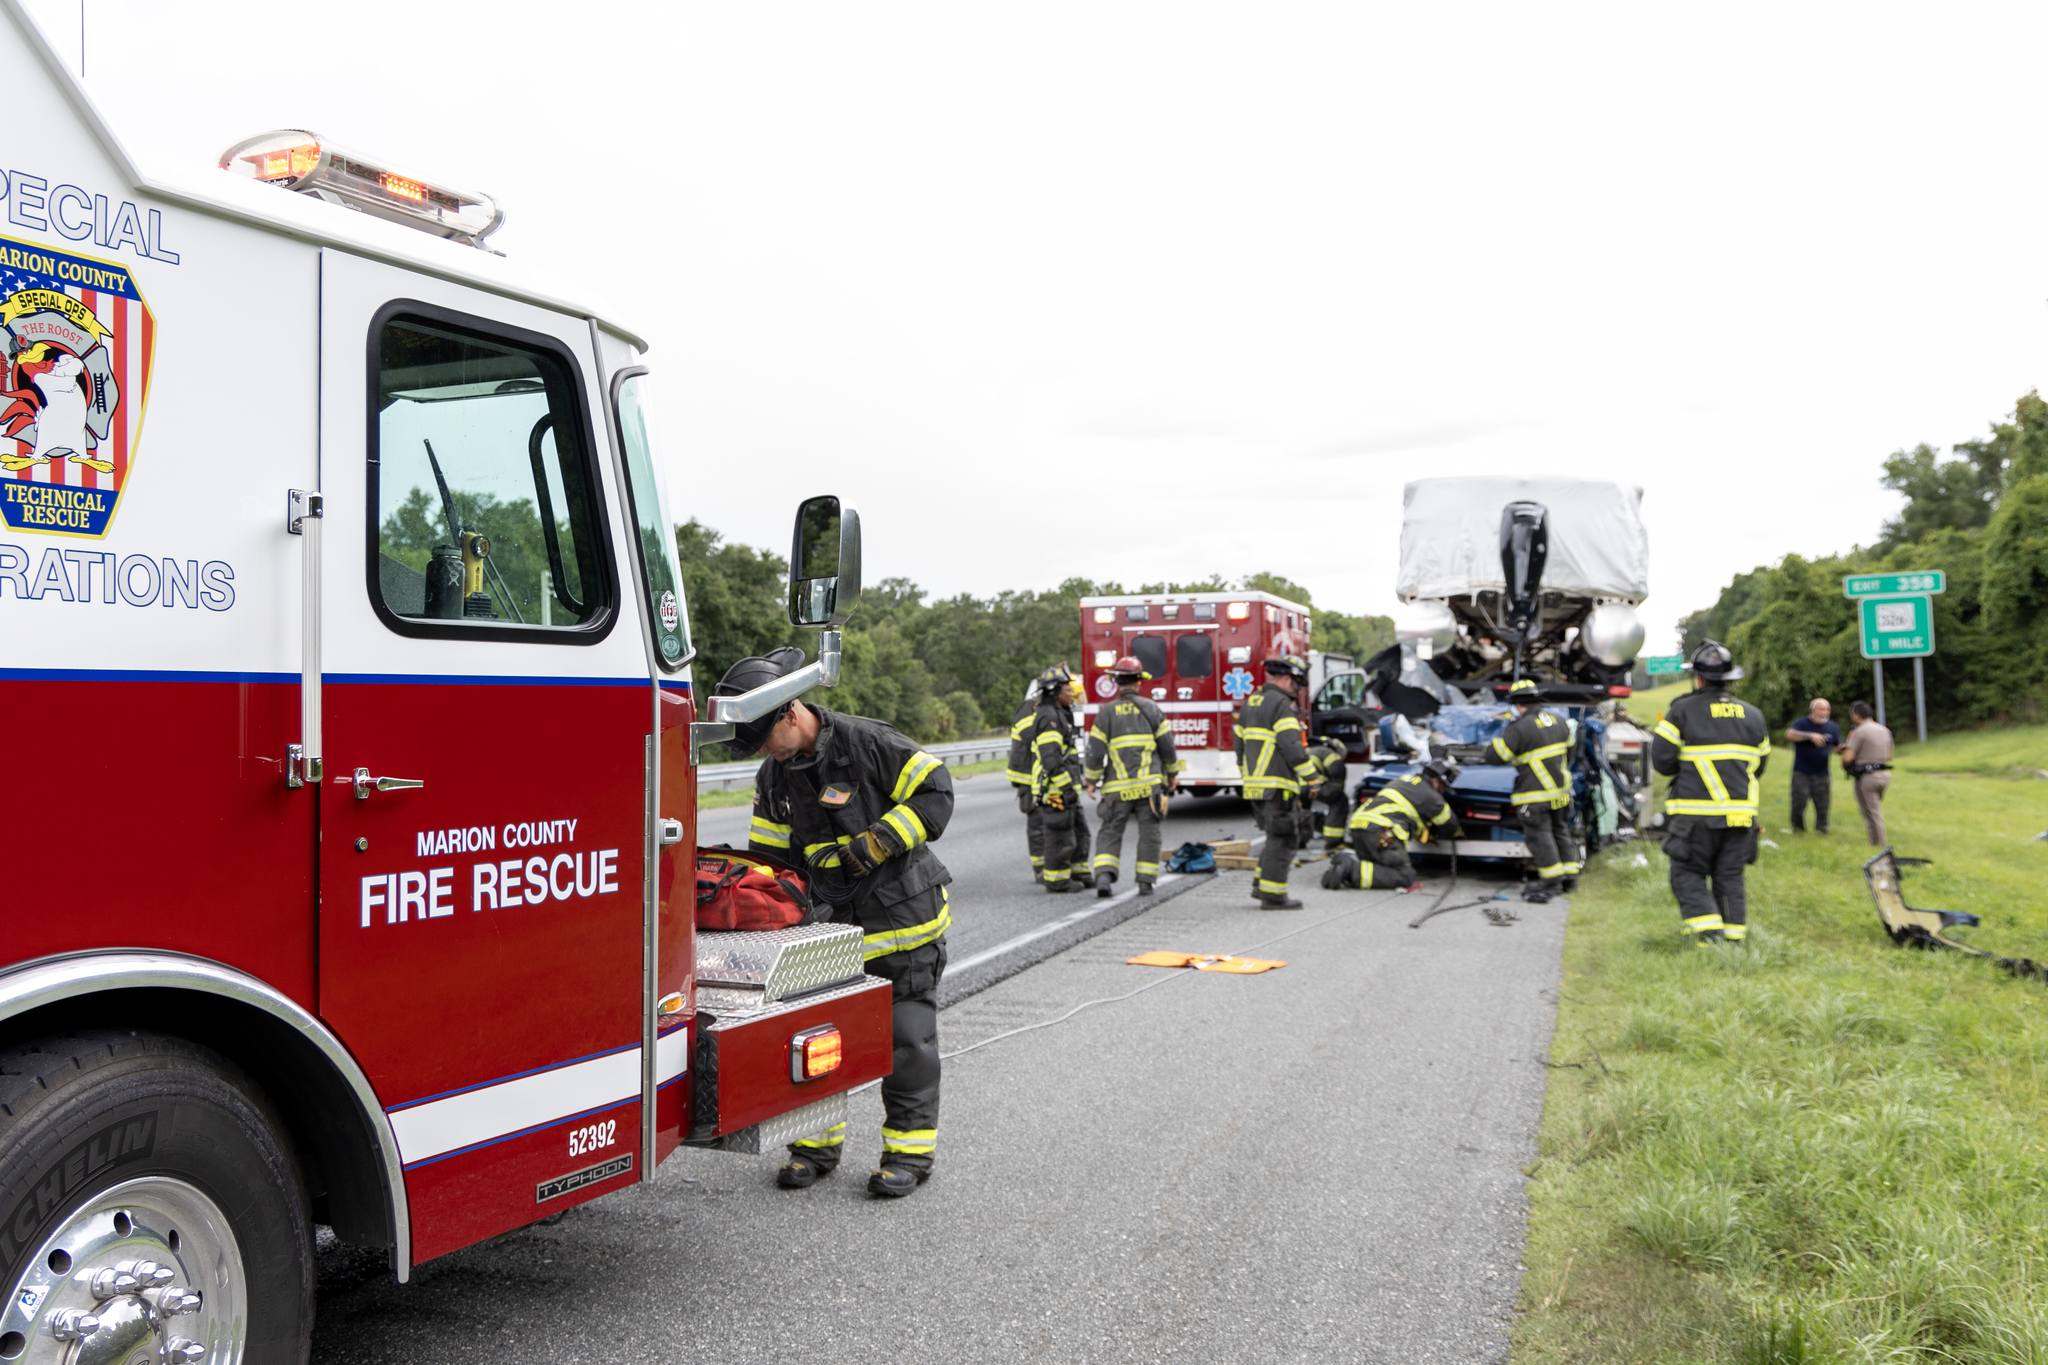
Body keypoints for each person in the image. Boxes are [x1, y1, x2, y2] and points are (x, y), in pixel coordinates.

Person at [724, 648, 952, 1198]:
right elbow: (771, 857)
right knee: (819, 1040)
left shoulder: (867, 742)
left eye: (762, 739)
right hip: (828, 933)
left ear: (790, 713)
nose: (762, 753)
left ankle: (908, 1155)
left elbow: (936, 790)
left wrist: (875, 844)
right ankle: (814, 1146)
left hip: (903, 923)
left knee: (905, 1042)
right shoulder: (774, 775)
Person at [1650, 639, 1771, 944]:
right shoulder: (1754, 716)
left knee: (1686, 873)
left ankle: (1709, 936)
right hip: (1741, 819)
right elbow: (1758, 767)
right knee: (1729, 877)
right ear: (1730, 678)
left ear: (1699, 678)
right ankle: (1734, 940)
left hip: (1694, 818)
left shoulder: (1681, 711)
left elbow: (1662, 762)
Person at [1084, 656, 1183, 896]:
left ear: (1117, 682)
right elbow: (1167, 747)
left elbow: (1095, 751)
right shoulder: (1151, 709)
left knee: (1110, 832)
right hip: (1149, 787)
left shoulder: (1106, 713)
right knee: (1149, 833)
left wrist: (1091, 780)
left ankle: (1104, 878)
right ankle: (1145, 882)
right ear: (1139, 682)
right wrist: (1172, 774)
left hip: (1116, 789)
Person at [1233, 654, 1320, 909]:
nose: (1298, 689)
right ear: (1284, 678)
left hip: (1255, 787)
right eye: (1296, 682)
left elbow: (1239, 746)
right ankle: (1273, 896)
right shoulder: (1281, 705)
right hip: (1277, 786)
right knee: (1284, 839)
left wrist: (1247, 776)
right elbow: (1291, 746)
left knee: (1273, 837)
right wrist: (1312, 777)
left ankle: (1261, 886)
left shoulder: (1251, 703)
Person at [1486, 679, 1581, 903]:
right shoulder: (1560, 721)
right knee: (1561, 832)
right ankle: (1569, 878)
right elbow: (1570, 750)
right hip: (1561, 793)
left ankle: (1551, 881)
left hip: (1535, 796)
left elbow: (1496, 756)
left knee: (1541, 837)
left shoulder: (1518, 728)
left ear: (1518, 704)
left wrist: (1500, 734)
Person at [1323, 759, 1462, 892]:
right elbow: (1451, 826)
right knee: (1404, 876)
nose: (1443, 791)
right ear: (1437, 781)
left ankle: (1347, 864)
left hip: (1358, 827)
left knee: (1378, 868)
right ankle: (1351, 869)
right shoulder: (1433, 797)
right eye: (1444, 787)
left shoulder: (1404, 780)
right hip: (1381, 832)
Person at [1028, 664, 1090, 893]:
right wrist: (1067, 788)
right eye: (1067, 689)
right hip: (1055, 790)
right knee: (1060, 835)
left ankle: (1080, 872)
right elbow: (1051, 760)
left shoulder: (1059, 713)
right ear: (1054, 691)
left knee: (1080, 831)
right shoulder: (1048, 718)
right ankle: (1057, 881)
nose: (1071, 693)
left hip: (1065, 788)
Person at [1006, 679, 1047, 882]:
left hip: (1033, 776)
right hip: (1029, 778)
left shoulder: (1036, 709)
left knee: (1045, 823)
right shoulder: (1029, 711)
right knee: (1037, 824)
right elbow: (1034, 738)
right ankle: (1040, 869)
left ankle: (1048, 865)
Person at [1840, 700, 1895, 846]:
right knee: (1874, 810)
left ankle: (1879, 845)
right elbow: (1890, 755)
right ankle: (1875, 842)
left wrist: (1846, 750)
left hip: (1868, 777)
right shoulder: (1884, 730)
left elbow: (1848, 757)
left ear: (1856, 715)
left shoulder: (1859, 731)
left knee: (1872, 812)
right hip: (1884, 775)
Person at [1783, 697, 1840, 834]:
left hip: (1822, 772)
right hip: (1802, 772)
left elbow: (1836, 747)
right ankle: (1798, 829)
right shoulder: (1802, 723)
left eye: (1827, 709)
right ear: (1813, 710)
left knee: (1823, 804)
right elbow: (1789, 734)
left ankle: (1822, 829)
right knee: (1799, 802)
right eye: (1821, 709)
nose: (1824, 712)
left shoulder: (1833, 727)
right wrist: (1810, 736)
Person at [1306, 739, 1351, 850]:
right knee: (1340, 800)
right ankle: (1333, 840)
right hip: (1312, 784)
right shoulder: (1332, 756)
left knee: (1302, 806)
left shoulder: (1311, 751)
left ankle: (1300, 840)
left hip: (1297, 785)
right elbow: (1336, 784)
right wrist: (1333, 793)